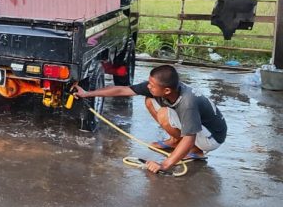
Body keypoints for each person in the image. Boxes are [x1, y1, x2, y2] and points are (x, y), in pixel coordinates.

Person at [73, 64, 227, 174]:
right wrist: (87, 93)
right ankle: (174, 141)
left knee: (164, 115)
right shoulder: (165, 89)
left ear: (166, 90)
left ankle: (198, 151)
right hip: (200, 130)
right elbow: (122, 89)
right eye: (150, 82)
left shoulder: (187, 103)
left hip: (211, 138)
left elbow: (189, 138)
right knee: (149, 100)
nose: (149, 87)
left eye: (152, 85)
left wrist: (164, 165)